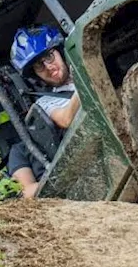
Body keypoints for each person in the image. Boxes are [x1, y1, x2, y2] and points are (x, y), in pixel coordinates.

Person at [5, 24, 81, 197]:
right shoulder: (45, 102)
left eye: (49, 56)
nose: (48, 67)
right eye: (39, 66)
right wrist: (87, 78)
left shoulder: (83, 67)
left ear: (60, 51)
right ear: (35, 75)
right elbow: (66, 118)